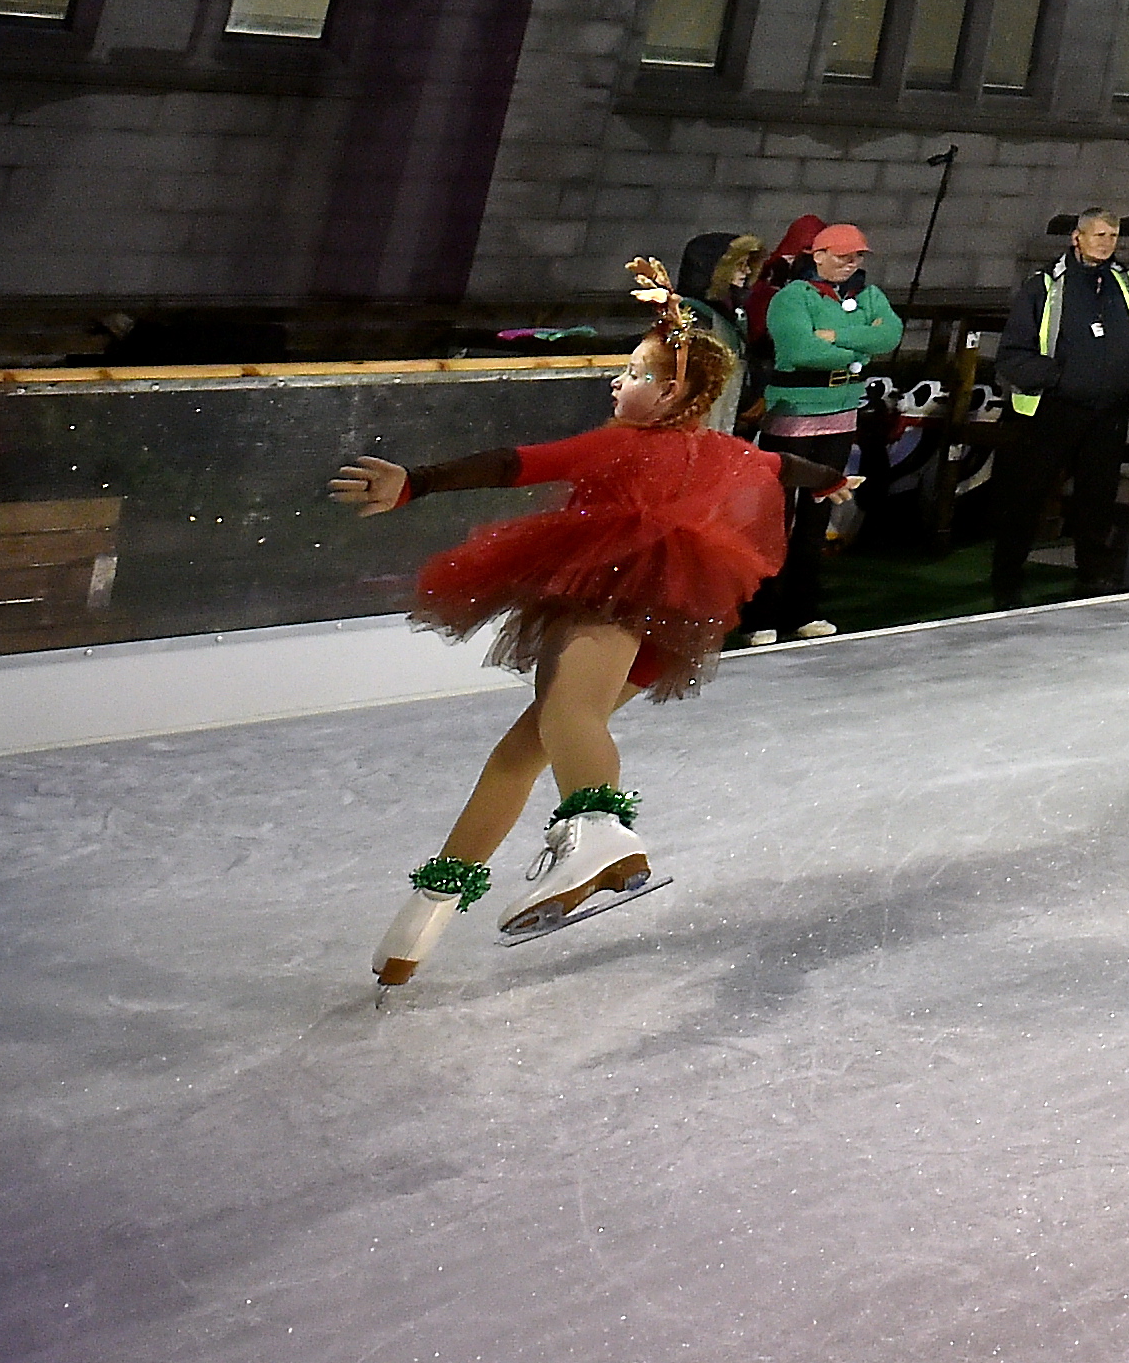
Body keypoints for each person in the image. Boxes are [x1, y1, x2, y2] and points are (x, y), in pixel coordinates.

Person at [330, 258, 837, 986]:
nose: (617, 382)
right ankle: (426, 912)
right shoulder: (726, 452)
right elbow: (784, 467)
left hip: (610, 596)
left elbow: (516, 463)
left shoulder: (623, 443)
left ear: (670, 393)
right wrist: (834, 480)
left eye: (632, 372)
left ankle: (598, 834)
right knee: (522, 751)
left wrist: (417, 482)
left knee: (567, 713)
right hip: (668, 629)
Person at [990, 208, 1129, 606]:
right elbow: (1013, 353)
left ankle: (1093, 573)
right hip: (1052, 408)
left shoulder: (1125, 283)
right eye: (1100, 235)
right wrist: (1057, 377)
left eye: (1113, 236)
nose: (1107, 243)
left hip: (1108, 408)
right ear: (1078, 237)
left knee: (1098, 495)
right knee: (1029, 493)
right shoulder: (1044, 285)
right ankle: (1006, 572)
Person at [739, 216, 893, 645]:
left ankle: (802, 611)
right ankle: (759, 616)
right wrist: (858, 345)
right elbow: (799, 348)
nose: (850, 263)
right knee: (777, 518)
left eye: (857, 256)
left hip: (842, 416)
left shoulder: (869, 294)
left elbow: (890, 336)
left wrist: (836, 336)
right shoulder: (791, 298)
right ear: (818, 256)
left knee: (817, 514)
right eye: (843, 255)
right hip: (793, 416)